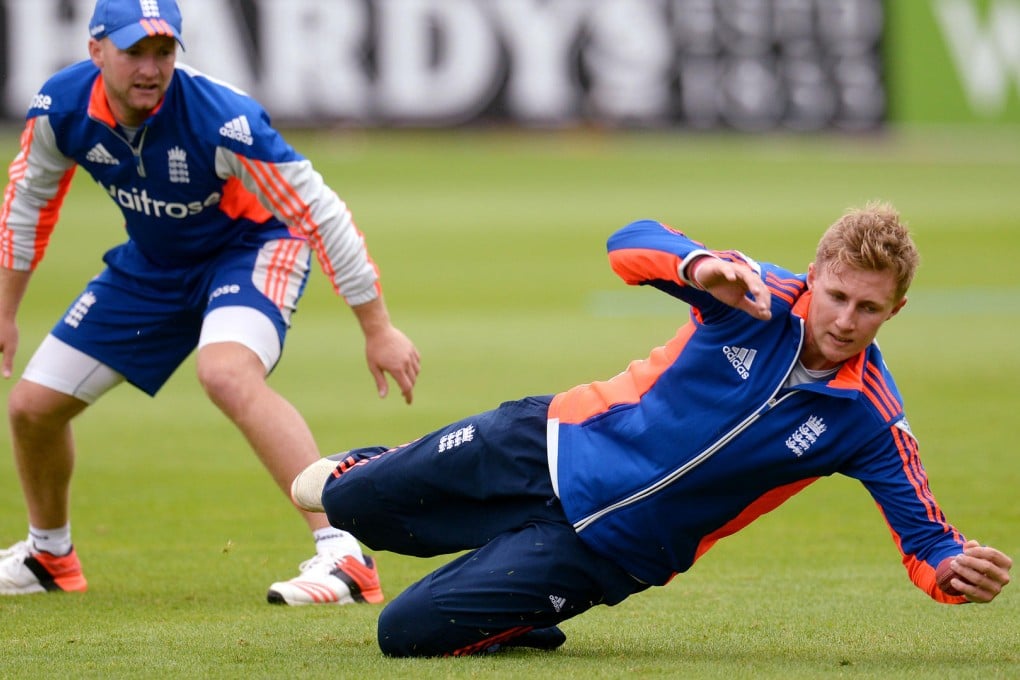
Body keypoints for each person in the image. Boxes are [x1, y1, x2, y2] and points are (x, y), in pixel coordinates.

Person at [288, 202, 1012, 657]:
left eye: (869, 308)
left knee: (402, 636)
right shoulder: (750, 291)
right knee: (344, 504)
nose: (846, 320)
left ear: (897, 311)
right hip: (543, 445)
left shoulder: (871, 419)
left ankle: (517, 609)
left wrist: (951, 575)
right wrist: (700, 266)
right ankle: (385, 470)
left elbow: (927, 543)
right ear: (815, 273)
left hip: (608, 554)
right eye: (838, 295)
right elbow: (627, 241)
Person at [0, 0, 420, 605]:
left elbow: (318, 212)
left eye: (163, 51)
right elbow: (27, 202)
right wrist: (7, 309)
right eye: (134, 51)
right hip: (152, 265)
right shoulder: (60, 108)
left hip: (254, 247)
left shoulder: (222, 118)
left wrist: (376, 326)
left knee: (225, 372)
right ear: (95, 52)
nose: (150, 67)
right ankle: (48, 556)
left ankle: (344, 553)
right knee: (31, 408)